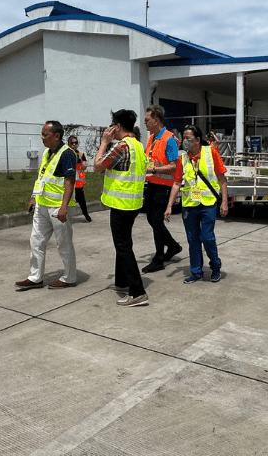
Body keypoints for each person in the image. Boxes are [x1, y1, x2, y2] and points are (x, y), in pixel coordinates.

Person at [92, 109, 150, 307]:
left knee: (123, 246)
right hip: (133, 202)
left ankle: (137, 291)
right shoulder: (137, 146)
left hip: (121, 204)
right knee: (123, 244)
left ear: (116, 127)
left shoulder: (121, 147)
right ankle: (122, 282)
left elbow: (97, 166)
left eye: (111, 125)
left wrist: (104, 142)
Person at [15, 121, 77, 290]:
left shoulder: (67, 154)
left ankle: (69, 277)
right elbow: (41, 178)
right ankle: (35, 277)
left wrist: (64, 207)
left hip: (58, 208)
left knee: (63, 244)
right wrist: (34, 197)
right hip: (42, 206)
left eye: (45, 134)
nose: (42, 137)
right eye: (42, 134)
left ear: (57, 136)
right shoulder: (47, 153)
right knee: (36, 241)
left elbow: (70, 182)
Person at [165, 125, 229, 283]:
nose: (185, 142)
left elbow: (222, 180)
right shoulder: (183, 158)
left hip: (208, 204)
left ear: (198, 140)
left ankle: (215, 267)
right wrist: (169, 206)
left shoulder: (211, 153)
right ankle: (196, 272)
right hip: (190, 205)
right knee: (193, 240)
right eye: (184, 139)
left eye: (188, 139)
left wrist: (225, 202)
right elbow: (176, 183)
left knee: (207, 238)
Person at [141, 105, 184, 273]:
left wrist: (153, 170)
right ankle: (172, 246)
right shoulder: (152, 138)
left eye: (147, 120)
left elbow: (173, 167)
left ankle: (159, 258)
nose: (145, 123)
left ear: (156, 120)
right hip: (152, 183)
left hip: (163, 186)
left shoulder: (169, 140)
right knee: (152, 220)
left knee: (156, 220)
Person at [68, 135, 92, 222]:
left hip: (78, 184)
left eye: (76, 143)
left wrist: (80, 160)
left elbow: (84, 166)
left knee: (82, 201)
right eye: (72, 143)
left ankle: (86, 215)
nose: (74, 145)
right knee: (66, 201)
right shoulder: (67, 154)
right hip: (69, 182)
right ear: (69, 144)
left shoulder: (81, 154)